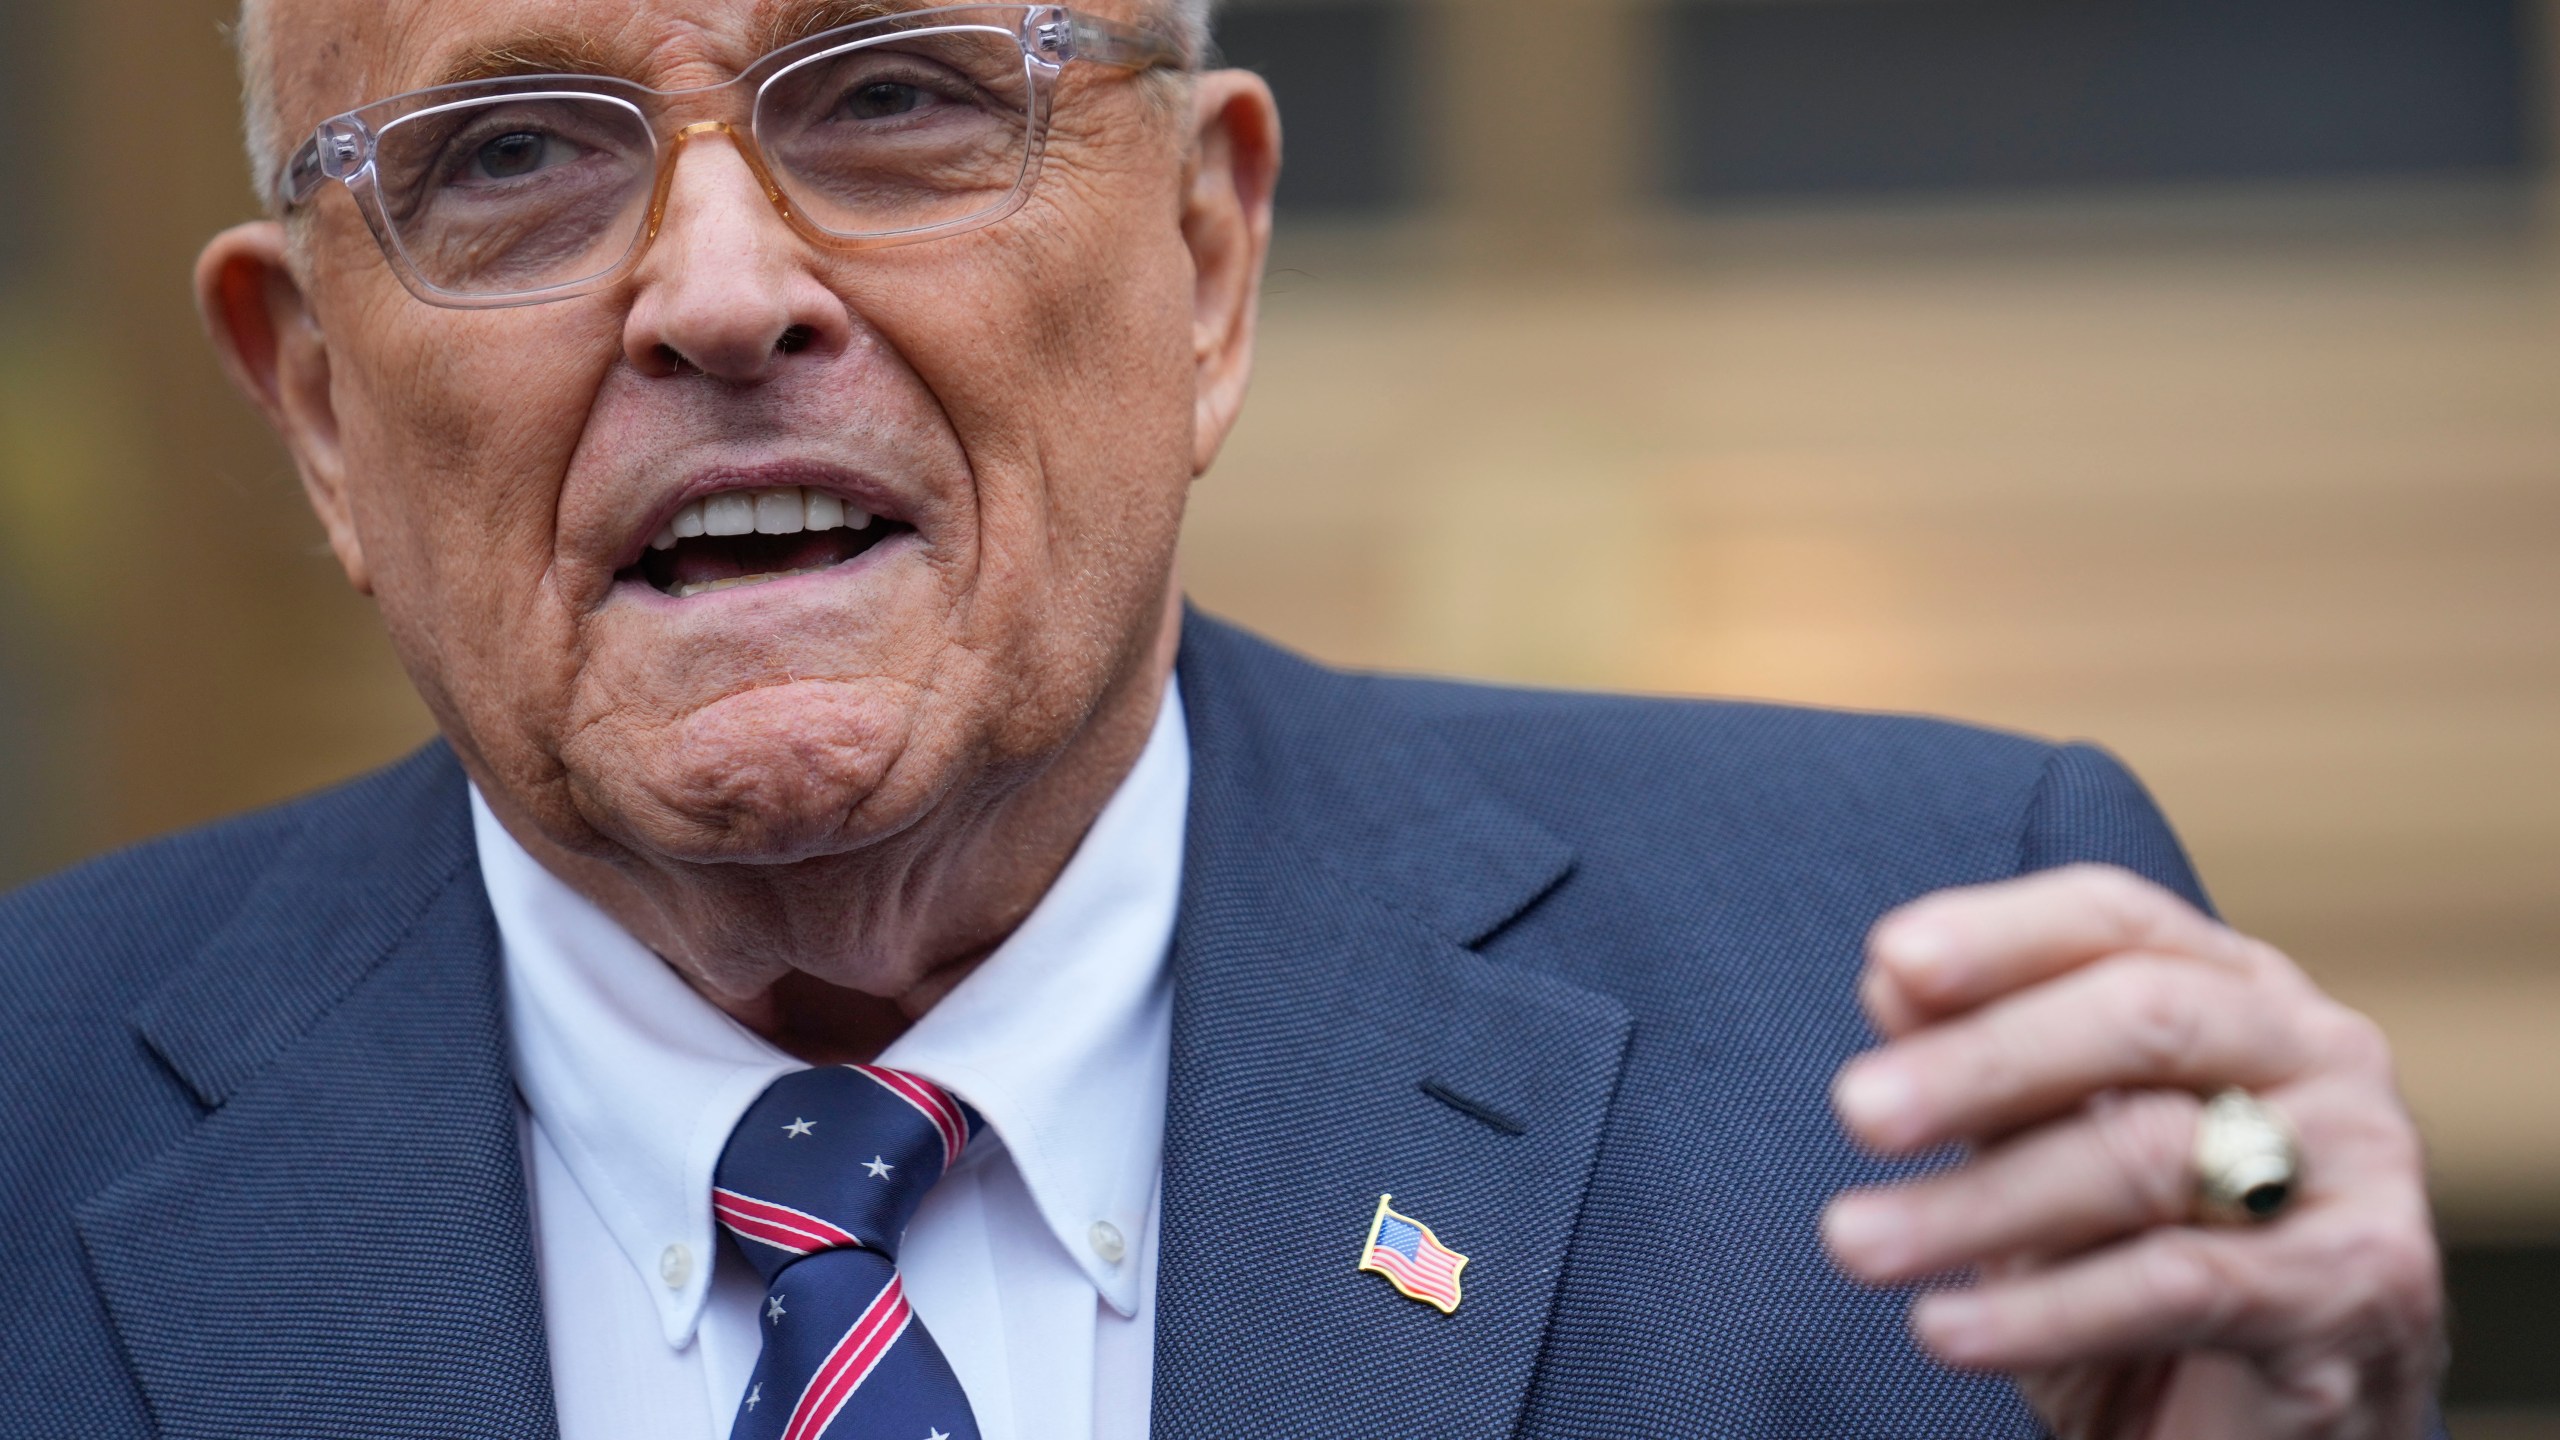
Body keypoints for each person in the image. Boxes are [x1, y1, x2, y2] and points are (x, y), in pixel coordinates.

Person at [0, 0, 2445, 1435]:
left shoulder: (1893, 997)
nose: (719, 292)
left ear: (1202, 261)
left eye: (896, 95)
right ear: (315, 404)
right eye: (514, 159)